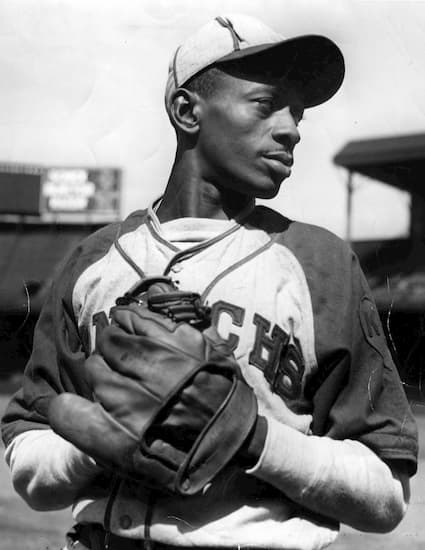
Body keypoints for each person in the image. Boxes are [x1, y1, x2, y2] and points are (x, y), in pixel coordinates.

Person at [1, 13, 418, 550]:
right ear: (186, 111)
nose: (292, 128)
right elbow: (28, 448)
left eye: (298, 115)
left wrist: (255, 437)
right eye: (267, 105)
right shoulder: (94, 260)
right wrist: (102, 437)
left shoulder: (323, 264)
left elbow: (387, 495)